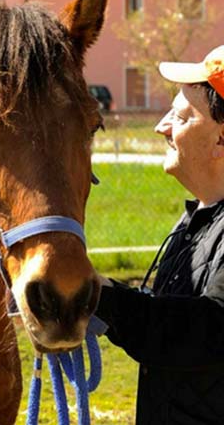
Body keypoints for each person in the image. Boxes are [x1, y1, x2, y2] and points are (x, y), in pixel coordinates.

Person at [95, 45, 224, 424]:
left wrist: (97, 295)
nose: (161, 127)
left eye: (180, 117)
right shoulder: (194, 223)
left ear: (221, 140)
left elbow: (206, 329)